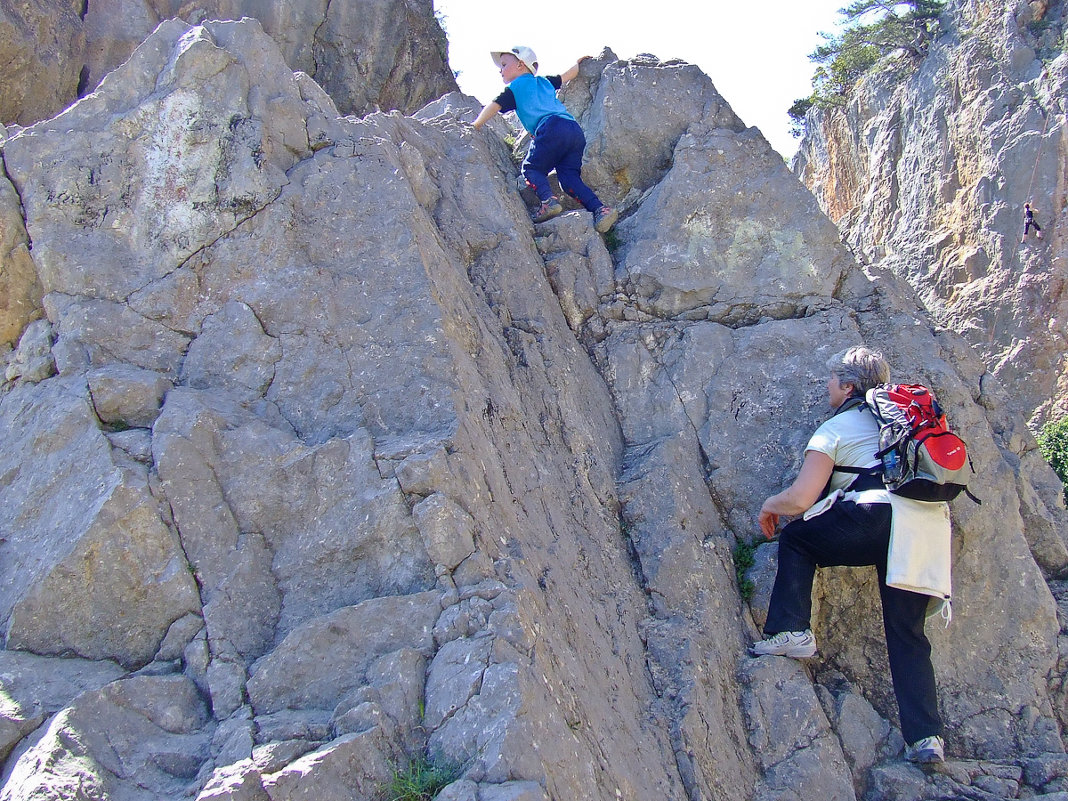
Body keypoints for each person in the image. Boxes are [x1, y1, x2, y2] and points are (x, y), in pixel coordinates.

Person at [749, 346, 946, 765]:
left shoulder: (835, 427)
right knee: (908, 634)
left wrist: (770, 505)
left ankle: (790, 631)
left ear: (848, 385)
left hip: (872, 515)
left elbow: (801, 498)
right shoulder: (908, 423)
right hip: (923, 528)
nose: (826, 387)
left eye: (831, 380)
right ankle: (926, 739)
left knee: (797, 539)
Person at [472, 46, 618, 234]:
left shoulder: (515, 88)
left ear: (520, 64)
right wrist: (578, 63)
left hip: (550, 128)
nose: (500, 69)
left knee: (531, 169)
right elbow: (567, 75)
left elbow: (494, 106)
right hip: (573, 130)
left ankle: (548, 201)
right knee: (569, 178)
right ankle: (600, 209)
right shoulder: (544, 82)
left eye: (504, 64)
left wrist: (476, 125)